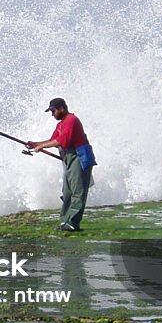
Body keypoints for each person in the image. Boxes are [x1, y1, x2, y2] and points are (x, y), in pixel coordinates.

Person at [26, 98, 96, 232]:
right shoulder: (61, 124)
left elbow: (61, 141)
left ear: (62, 109)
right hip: (69, 160)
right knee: (67, 193)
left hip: (79, 157)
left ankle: (73, 223)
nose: (52, 114)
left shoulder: (71, 120)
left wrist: (41, 146)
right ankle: (65, 221)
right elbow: (52, 140)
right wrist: (35, 144)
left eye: (53, 111)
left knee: (77, 192)